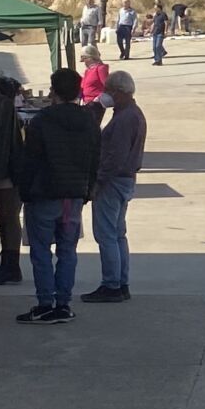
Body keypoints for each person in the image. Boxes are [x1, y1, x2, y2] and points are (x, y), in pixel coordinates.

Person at [16, 66, 100, 324]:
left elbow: (29, 160)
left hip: (44, 192)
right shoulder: (89, 120)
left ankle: (45, 303)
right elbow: (94, 160)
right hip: (73, 194)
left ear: (54, 91)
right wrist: (87, 190)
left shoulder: (42, 120)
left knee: (41, 251)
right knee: (67, 250)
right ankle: (63, 303)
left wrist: (25, 192)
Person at [84, 69, 144, 304]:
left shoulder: (125, 118)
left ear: (118, 92)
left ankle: (111, 284)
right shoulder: (130, 114)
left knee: (107, 234)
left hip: (113, 181)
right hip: (124, 179)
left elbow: (114, 156)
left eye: (108, 91)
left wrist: (98, 182)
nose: (105, 94)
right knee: (117, 234)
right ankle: (120, 282)